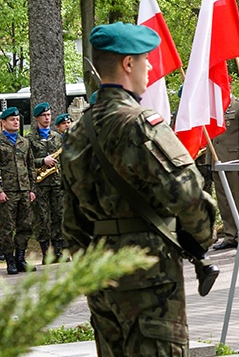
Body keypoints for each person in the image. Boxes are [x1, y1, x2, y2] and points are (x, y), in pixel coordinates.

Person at [60, 22, 216, 355]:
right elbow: (187, 193)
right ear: (128, 64)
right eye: (146, 59)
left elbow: (71, 220)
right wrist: (201, 238)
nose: (150, 68)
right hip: (148, 270)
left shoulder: (76, 132)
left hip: (100, 270)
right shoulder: (140, 122)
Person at [210, 95, 239, 250]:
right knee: (224, 201)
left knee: (238, 199)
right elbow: (211, 137)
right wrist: (210, 161)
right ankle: (230, 235)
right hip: (218, 161)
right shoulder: (213, 106)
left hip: (234, 160)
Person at [28, 102, 66, 264]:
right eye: (44, 115)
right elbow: (27, 161)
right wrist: (43, 160)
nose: (47, 118)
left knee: (59, 215)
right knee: (42, 218)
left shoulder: (57, 137)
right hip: (39, 184)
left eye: (49, 115)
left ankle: (58, 251)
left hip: (56, 182)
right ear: (37, 118)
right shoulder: (29, 138)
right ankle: (46, 253)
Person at [0, 107, 36, 274]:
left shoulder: (24, 142)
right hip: (7, 192)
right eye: (12, 120)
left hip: (24, 191)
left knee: (25, 225)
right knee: (7, 227)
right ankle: (10, 260)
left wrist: (31, 189)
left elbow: (30, 166)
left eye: (17, 119)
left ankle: (20, 258)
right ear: (3, 123)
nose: (15, 122)